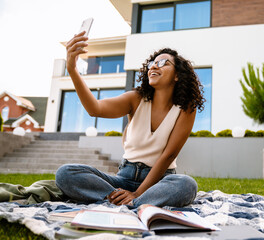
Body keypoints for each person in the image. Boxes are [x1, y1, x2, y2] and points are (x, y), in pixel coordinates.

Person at [55, 31, 205, 208]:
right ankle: (127, 202)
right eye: (152, 63)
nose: (154, 66)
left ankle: (129, 202)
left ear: (177, 75)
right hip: (124, 178)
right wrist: (72, 69)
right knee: (66, 173)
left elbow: (169, 155)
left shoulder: (186, 108)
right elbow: (94, 109)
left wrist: (138, 193)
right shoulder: (135, 98)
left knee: (186, 185)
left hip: (159, 182)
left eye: (163, 63)